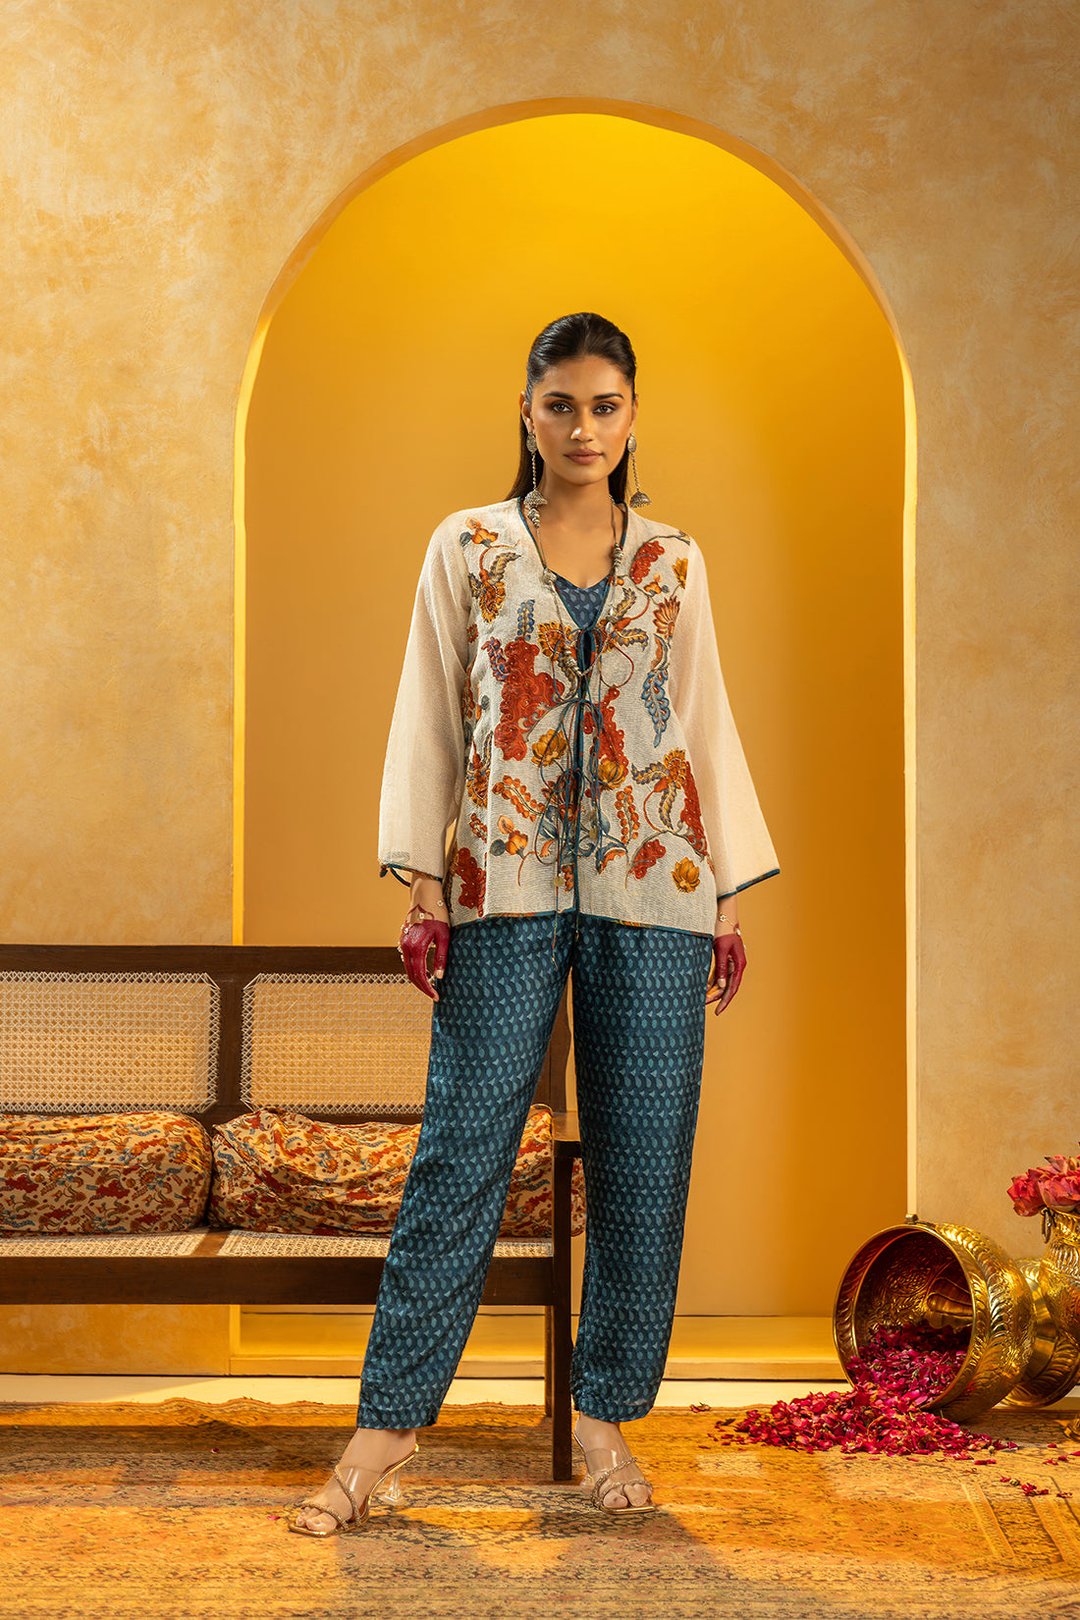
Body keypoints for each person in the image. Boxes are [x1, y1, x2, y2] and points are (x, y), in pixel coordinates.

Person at [287, 311, 780, 1535]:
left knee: (645, 1161)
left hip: (655, 886)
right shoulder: (468, 547)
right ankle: (385, 1434)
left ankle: (603, 1421)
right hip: (499, 881)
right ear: (527, 413)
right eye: (561, 404)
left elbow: (701, 717)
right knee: (462, 1156)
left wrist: (723, 893)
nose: (584, 428)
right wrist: (423, 880)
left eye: (605, 405)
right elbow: (430, 707)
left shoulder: (675, 560)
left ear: (632, 416)